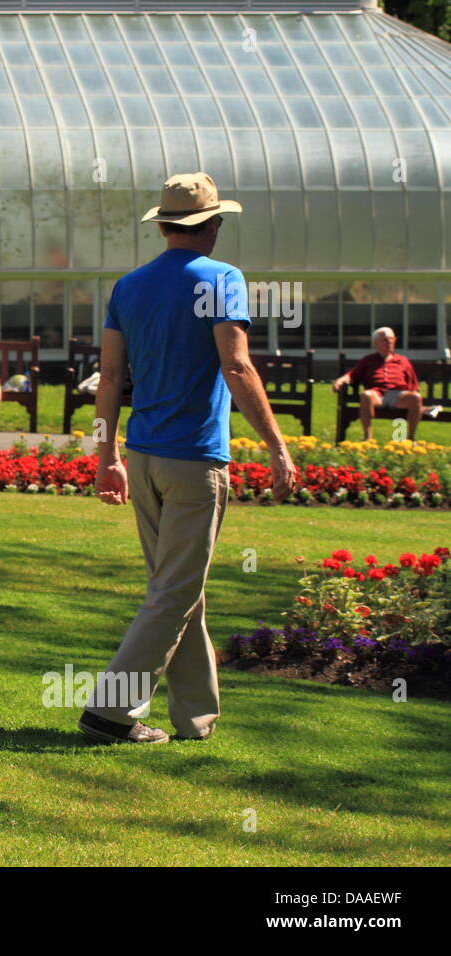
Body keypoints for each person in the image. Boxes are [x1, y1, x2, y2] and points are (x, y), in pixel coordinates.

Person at [84, 172, 298, 745]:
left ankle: (195, 717)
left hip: (143, 455)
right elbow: (238, 366)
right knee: (175, 591)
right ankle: (108, 711)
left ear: (163, 226)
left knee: (178, 587)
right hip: (195, 461)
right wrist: (278, 446)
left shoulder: (129, 286)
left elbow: (108, 378)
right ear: (213, 225)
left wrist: (106, 455)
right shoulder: (223, 277)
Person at [332, 327, 440, 441]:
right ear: (375, 343)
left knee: (415, 397)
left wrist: (417, 401)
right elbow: (352, 374)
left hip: (399, 396)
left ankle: (410, 439)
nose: (389, 342)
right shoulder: (368, 360)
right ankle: (367, 437)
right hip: (377, 395)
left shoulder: (402, 360)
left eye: (391, 339)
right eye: (385, 339)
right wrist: (340, 381)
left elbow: (413, 384)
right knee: (366, 395)